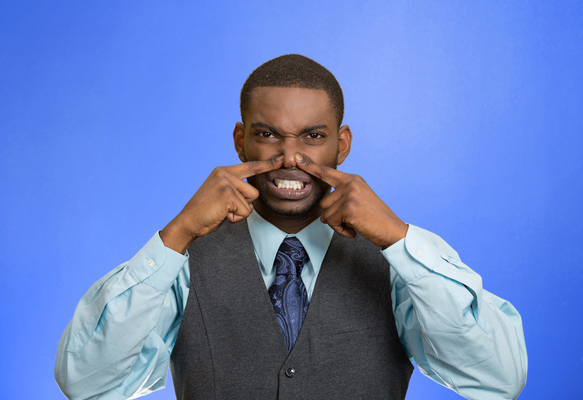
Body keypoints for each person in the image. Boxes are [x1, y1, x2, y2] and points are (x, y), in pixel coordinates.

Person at [55, 54, 527, 400]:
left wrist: (399, 239)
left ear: (341, 145)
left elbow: (499, 379)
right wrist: (177, 233)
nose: (290, 158)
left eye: (313, 137)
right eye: (268, 135)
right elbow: (88, 382)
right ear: (241, 141)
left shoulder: (396, 261)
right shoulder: (183, 259)